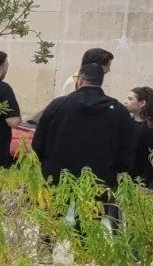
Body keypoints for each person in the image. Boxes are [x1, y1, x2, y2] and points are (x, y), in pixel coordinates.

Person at [31, 62, 136, 190]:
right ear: (100, 82)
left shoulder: (57, 105)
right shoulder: (119, 111)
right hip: (98, 180)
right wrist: (120, 172)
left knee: (57, 210)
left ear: (80, 80)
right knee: (93, 210)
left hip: (58, 178)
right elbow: (127, 148)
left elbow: (39, 142)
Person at [125, 86, 153, 191]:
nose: (126, 101)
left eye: (131, 99)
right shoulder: (128, 122)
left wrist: (143, 183)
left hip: (141, 183)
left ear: (142, 103)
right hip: (123, 179)